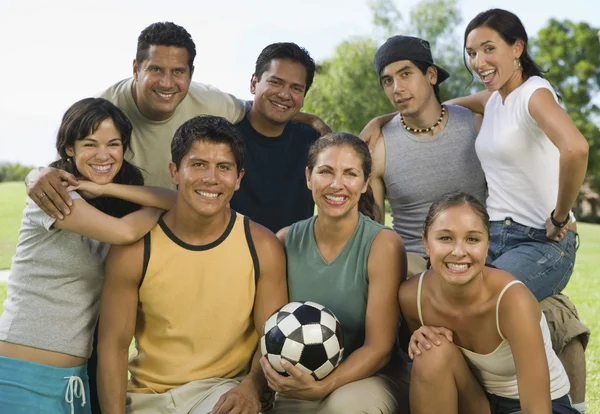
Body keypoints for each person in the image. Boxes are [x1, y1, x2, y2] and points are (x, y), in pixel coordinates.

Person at [26, 21, 330, 218]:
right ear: (136, 68)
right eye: (156, 69)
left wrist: (313, 121)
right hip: (117, 221)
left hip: (176, 217)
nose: (167, 83)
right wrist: (34, 175)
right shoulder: (104, 109)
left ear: (190, 74)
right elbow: (62, 169)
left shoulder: (211, 103)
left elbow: (264, 108)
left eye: (178, 72)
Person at [447, 9, 590, 411]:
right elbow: (451, 103)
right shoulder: (494, 99)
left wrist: (561, 215)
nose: (478, 62)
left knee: (479, 305)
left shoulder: (534, 92)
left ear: (517, 48)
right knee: (440, 302)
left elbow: (576, 147)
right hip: (495, 237)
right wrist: (388, 118)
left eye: (489, 49)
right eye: (471, 53)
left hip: (543, 242)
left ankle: (562, 406)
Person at [96, 115, 288, 414]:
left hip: (221, 392)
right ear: (174, 171)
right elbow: (114, 348)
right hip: (149, 399)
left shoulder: (262, 247)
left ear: (238, 179)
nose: (210, 178)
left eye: (223, 167)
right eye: (198, 165)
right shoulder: (135, 251)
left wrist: (251, 386)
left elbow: (272, 339)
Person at [0, 98, 175, 413]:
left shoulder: (106, 201)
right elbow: (124, 232)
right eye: (90, 144)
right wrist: (37, 174)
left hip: (74, 383)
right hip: (19, 375)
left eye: (113, 144)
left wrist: (107, 189)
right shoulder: (52, 196)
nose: (103, 154)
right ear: (70, 149)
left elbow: (176, 200)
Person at [260, 133, 409, 413]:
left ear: (365, 183)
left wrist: (324, 387)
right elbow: (271, 332)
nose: (336, 184)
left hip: (369, 379)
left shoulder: (383, 245)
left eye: (350, 174)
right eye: (325, 171)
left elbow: (379, 348)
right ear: (308, 177)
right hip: (297, 381)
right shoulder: (284, 241)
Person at [400, 191, 578, 414]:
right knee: (429, 351)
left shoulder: (512, 301)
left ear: (487, 245)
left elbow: (537, 409)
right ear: (426, 243)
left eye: (472, 239)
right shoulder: (411, 297)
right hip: (477, 401)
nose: (458, 251)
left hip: (538, 406)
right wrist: (415, 341)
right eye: (445, 238)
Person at [361, 35, 487, 277]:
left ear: (431, 75)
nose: (397, 88)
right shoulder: (379, 146)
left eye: (406, 74)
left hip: (475, 258)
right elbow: (373, 231)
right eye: (388, 81)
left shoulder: (475, 125)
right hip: (412, 264)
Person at [230, 42, 320, 233]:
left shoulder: (314, 144)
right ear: (254, 83)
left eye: (296, 88)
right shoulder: (223, 138)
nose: (284, 94)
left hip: (293, 258)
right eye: (275, 82)